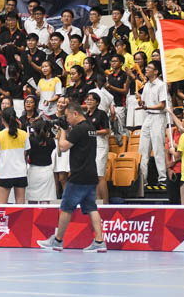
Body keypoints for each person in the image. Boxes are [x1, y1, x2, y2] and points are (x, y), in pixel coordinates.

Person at [38, 102, 106, 253]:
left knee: (66, 208)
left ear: (75, 114)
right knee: (91, 208)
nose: (67, 119)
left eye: (68, 116)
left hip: (78, 176)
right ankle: (100, 241)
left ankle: (57, 241)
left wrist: (62, 131)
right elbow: (77, 142)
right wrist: (67, 129)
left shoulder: (79, 129)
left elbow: (62, 147)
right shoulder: (90, 127)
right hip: (91, 174)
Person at [0, 108, 29, 204]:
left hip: (5, 173)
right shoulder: (24, 134)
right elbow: (25, 153)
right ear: (16, 119)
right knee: (21, 206)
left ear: (2, 120)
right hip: (21, 173)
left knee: (1, 206)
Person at [138, 62, 168, 187]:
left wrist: (146, 106)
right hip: (148, 117)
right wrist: (140, 102)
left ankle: (162, 178)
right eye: (147, 67)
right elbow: (143, 101)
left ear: (156, 71)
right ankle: (142, 179)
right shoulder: (146, 85)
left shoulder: (161, 85)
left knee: (158, 148)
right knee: (143, 149)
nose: (146, 69)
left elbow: (162, 105)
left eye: (150, 68)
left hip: (158, 117)